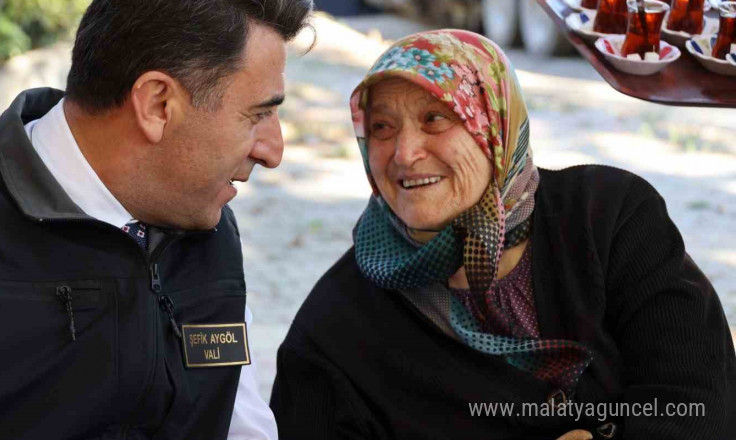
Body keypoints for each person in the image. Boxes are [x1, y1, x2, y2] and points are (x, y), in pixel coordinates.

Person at [0, 0, 312, 438]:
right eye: (258, 114)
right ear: (156, 104)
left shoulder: (211, 227)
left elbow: (242, 424)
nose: (273, 151)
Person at [270, 29, 736, 439]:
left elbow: (698, 400)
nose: (404, 153)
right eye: (381, 128)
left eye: (436, 118)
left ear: (495, 124)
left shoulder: (609, 216)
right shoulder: (335, 329)